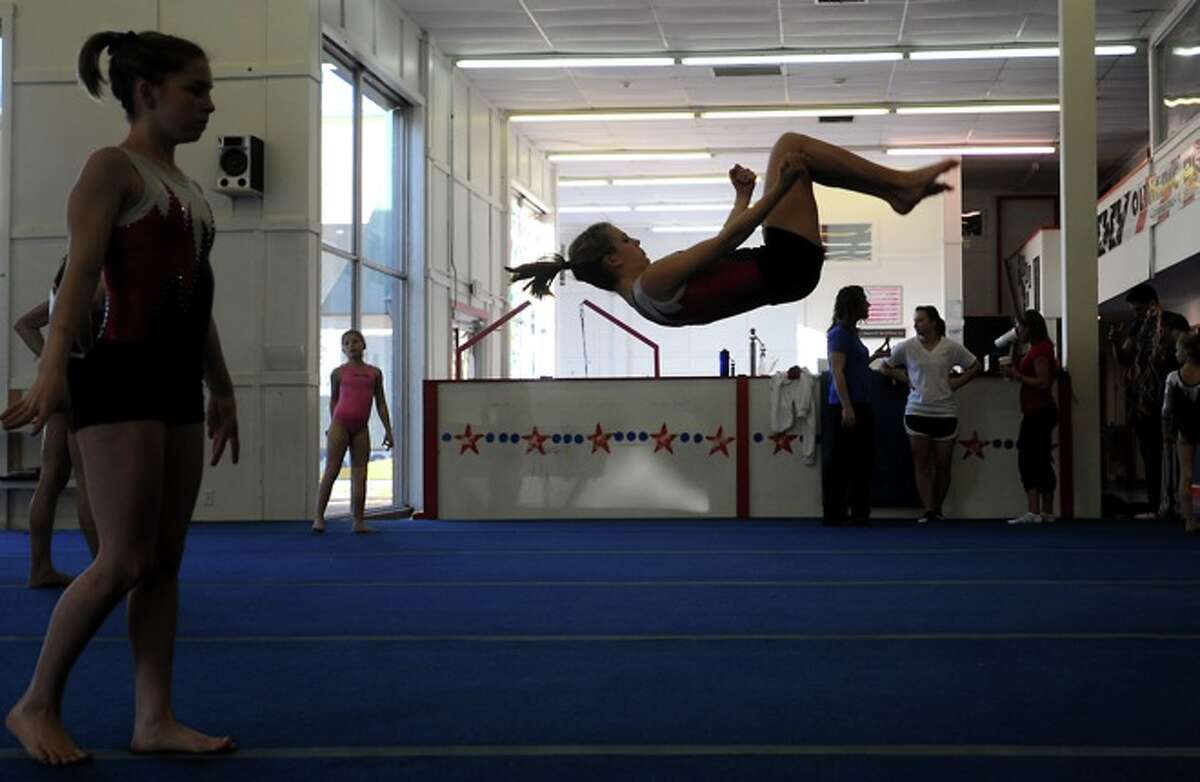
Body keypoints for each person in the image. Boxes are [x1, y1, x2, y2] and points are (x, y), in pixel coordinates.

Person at [1, 30, 239, 765]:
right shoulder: (111, 168)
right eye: (195, 89)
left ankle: (153, 718)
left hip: (174, 380)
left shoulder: (189, 189)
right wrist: (52, 370)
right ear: (146, 92)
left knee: (165, 558)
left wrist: (221, 385)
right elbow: (79, 273)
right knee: (123, 559)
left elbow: (197, 296)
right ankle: (35, 704)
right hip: (118, 373)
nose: (209, 104)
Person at [507, 132, 957, 325]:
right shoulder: (652, 281)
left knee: (797, 156)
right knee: (791, 148)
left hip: (785, 274)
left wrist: (743, 197)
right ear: (612, 260)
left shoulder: (645, 299)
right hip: (784, 265)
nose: (637, 240)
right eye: (626, 240)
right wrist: (781, 188)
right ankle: (898, 187)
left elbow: (719, 253)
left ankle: (896, 192)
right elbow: (729, 240)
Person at [11, 260, 104, 587]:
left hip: (61, 381)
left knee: (51, 477)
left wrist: (52, 361)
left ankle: (40, 568)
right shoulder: (95, 284)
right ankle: (104, 570)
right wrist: (85, 360)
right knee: (86, 478)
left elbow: (24, 324)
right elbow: (84, 320)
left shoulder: (62, 290)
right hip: (78, 384)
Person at [879, 305, 980, 523]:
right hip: (917, 410)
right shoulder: (907, 347)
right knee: (922, 463)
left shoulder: (950, 347)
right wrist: (905, 378)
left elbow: (975, 366)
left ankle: (938, 507)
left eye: (921, 320)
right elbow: (884, 367)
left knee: (943, 464)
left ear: (933, 322)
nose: (916, 324)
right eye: (915, 321)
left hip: (945, 411)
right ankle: (928, 510)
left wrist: (956, 383)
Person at [1109, 284, 1190, 520]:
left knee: (1171, 455)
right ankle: (1156, 505)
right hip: (1144, 400)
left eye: (1140, 309)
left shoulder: (1174, 321)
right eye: (1134, 311)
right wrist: (1115, 342)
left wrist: (1164, 337)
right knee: (1150, 454)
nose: (1137, 315)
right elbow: (1125, 357)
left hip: (1169, 398)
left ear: (1153, 304)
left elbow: (1184, 351)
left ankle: (1173, 505)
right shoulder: (1136, 327)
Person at [313, 329, 394, 534]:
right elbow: (334, 400)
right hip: (340, 424)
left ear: (364, 345)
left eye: (356, 341)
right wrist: (333, 424)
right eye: (347, 343)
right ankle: (318, 517)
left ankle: (358, 520)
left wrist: (388, 430)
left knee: (361, 473)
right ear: (343, 349)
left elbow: (381, 403)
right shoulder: (338, 373)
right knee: (332, 470)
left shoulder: (374, 373)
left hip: (361, 428)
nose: (352, 345)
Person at [823, 285, 891, 527]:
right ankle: (836, 513)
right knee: (842, 461)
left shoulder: (850, 334)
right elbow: (837, 372)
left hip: (860, 403)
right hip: (848, 405)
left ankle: (858, 511)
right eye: (864, 301)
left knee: (862, 460)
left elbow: (853, 367)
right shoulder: (839, 334)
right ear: (853, 306)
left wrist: (874, 357)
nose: (868, 305)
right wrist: (847, 407)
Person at [1004, 310, 1058, 525]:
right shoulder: (1040, 348)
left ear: (1030, 328)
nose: (1017, 331)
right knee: (1041, 459)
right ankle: (1045, 511)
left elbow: (1043, 382)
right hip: (1040, 410)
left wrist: (1018, 376)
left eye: (1020, 327)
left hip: (1038, 411)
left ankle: (1034, 511)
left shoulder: (1040, 350)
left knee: (1029, 459)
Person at [1162, 329, 1200, 533]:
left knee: (1186, 474)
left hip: (1184, 429)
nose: (1175, 354)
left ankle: (1189, 520)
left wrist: (1165, 432)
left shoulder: (1173, 377)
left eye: (1177, 350)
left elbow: (1166, 410)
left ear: (1186, 352)